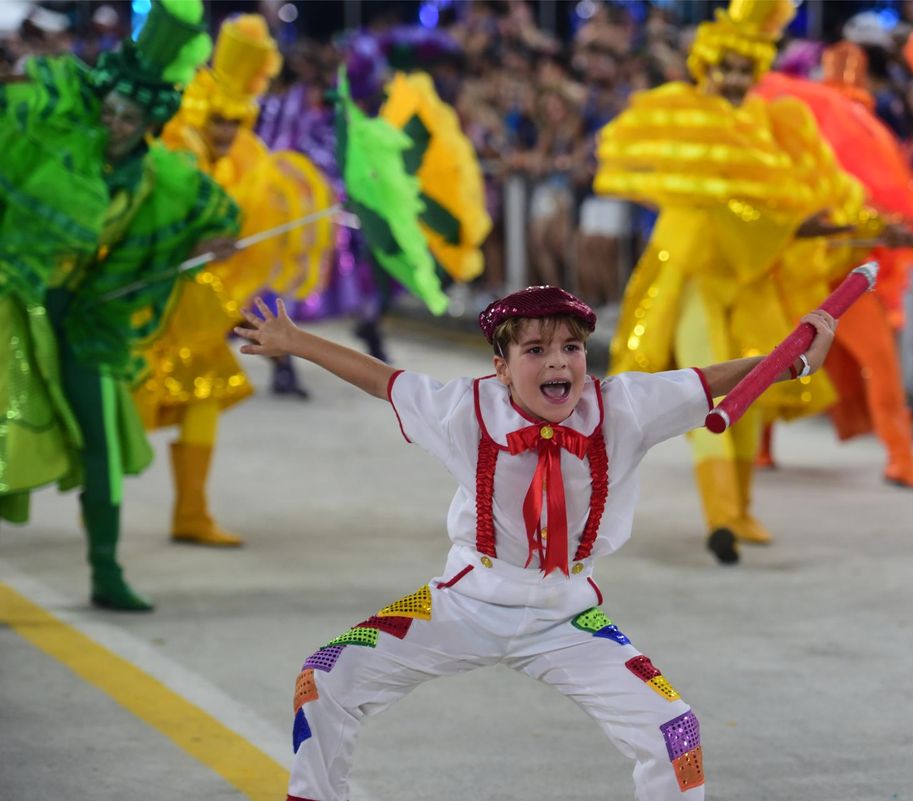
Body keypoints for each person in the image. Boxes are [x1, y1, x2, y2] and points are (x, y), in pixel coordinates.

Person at [234, 285, 837, 801]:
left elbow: (712, 381)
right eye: (537, 350)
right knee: (325, 677)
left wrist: (797, 359)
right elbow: (383, 380)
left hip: (570, 617)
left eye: (571, 347)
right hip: (462, 602)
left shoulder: (622, 407)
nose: (560, 363)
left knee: (674, 729)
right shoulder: (463, 410)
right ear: (500, 367)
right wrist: (296, 343)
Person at [595, 0, 873, 564]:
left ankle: (741, 510)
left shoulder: (771, 125)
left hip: (750, 280)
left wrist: (825, 222)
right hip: (691, 280)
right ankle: (720, 515)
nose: (733, 79)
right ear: (705, 67)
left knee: (756, 387)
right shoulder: (682, 117)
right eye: (724, 67)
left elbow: (783, 202)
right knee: (706, 388)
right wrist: (791, 221)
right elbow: (715, 202)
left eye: (744, 69)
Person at [0, 0, 239, 610]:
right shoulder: (58, 144)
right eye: (108, 111)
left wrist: (211, 244)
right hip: (15, 304)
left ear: (150, 121)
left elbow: (213, 218)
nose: (114, 124)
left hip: (82, 318)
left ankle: (105, 571)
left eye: (128, 116)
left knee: (101, 436)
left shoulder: (156, 179)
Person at [137, 13, 335, 548]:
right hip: (141, 303)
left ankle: (192, 512)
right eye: (219, 120)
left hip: (194, 305)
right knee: (114, 407)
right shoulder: (172, 153)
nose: (227, 132)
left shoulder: (244, 160)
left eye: (236, 121)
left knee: (203, 394)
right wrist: (190, 247)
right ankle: (101, 516)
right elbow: (144, 227)